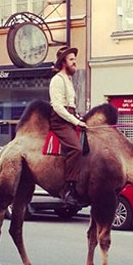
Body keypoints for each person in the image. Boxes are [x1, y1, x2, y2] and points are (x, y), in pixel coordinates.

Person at [49, 46, 87, 206]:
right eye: (71, 59)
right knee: (76, 148)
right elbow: (58, 107)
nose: (74, 62)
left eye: (74, 59)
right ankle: (68, 188)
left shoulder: (69, 80)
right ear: (63, 62)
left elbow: (70, 104)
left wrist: (79, 117)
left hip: (69, 117)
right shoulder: (57, 79)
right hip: (59, 121)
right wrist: (76, 122)